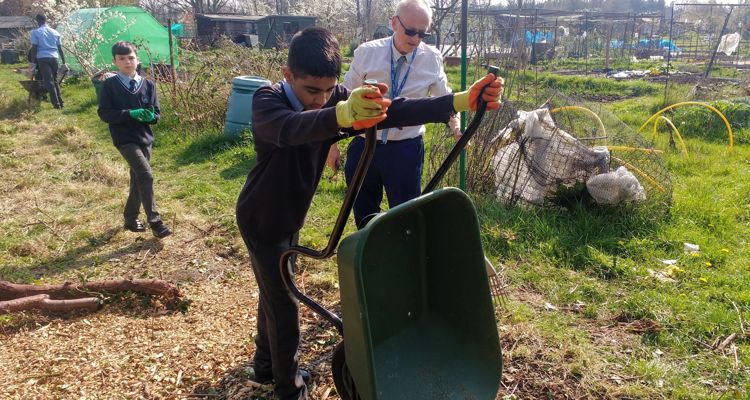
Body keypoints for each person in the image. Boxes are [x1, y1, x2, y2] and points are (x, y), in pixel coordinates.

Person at [235, 26, 502, 400]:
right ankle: (288, 390)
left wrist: (457, 102)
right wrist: (341, 114)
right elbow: (291, 128)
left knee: (275, 289)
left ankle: (265, 366)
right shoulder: (267, 100)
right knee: (284, 306)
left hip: (289, 216)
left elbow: (395, 111)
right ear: (287, 75)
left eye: (329, 90)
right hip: (261, 218)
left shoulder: (330, 101)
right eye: (312, 90)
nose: (321, 99)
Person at [334, 0, 461, 228]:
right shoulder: (367, 53)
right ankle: (371, 259)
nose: (415, 39)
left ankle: (403, 259)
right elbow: (341, 98)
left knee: (406, 219)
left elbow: (445, 98)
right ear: (394, 23)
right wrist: (331, 144)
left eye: (423, 34)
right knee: (364, 216)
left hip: (405, 150)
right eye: (410, 31)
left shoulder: (432, 58)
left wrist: (456, 127)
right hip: (364, 145)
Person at [97, 41, 172, 239]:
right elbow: (104, 113)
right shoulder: (110, 85)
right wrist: (130, 113)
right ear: (115, 61)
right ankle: (155, 222)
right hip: (124, 139)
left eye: (130, 58)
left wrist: (151, 117)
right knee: (146, 175)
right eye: (122, 59)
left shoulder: (148, 84)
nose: (127, 62)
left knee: (138, 178)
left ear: (137, 60)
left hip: (144, 139)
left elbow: (156, 114)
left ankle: (130, 218)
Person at [30, 14, 66, 109]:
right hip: (54, 57)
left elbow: (34, 48)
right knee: (55, 81)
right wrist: (64, 62)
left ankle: (56, 104)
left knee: (49, 81)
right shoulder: (55, 32)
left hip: (42, 58)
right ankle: (60, 102)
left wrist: (33, 63)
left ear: (37, 21)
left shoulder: (36, 32)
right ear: (45, 20)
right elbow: (60, 48)